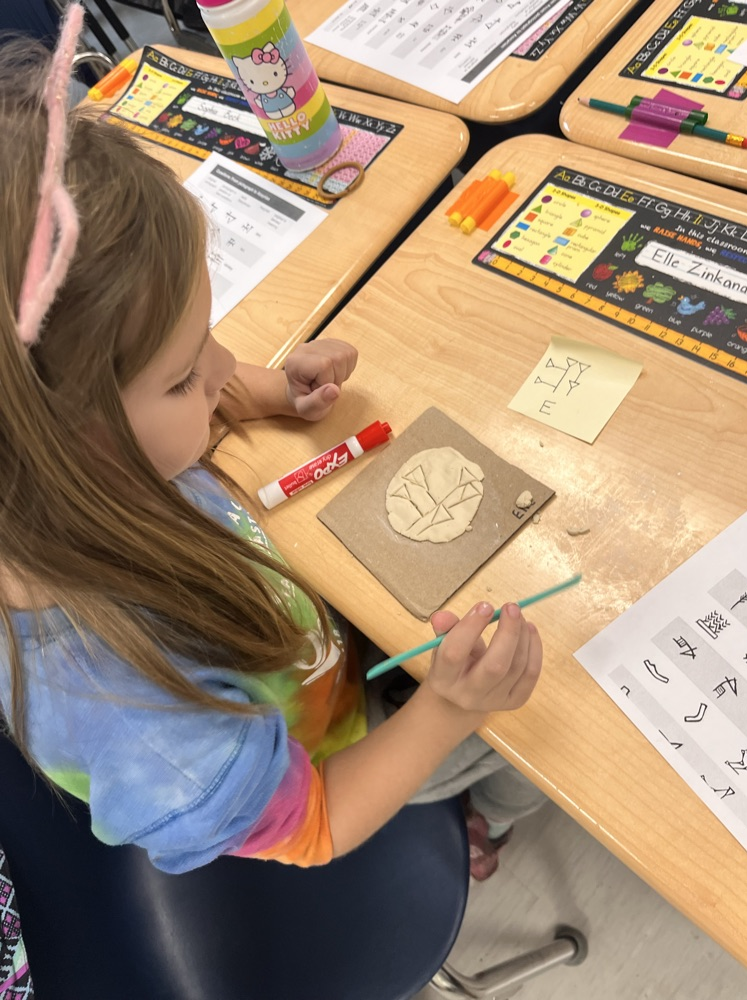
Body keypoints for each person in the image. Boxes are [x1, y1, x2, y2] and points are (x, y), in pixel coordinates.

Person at [0, 4, 545, 883]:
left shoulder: (56, 481)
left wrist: (263, 390)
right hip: (337, 755)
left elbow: (181, 404)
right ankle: (482, 819)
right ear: (66, 446)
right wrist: (448, 711)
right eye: (185, 376)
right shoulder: (136, 721)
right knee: (550, 740)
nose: (223, 369)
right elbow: (315, 826)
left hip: (321, 651)